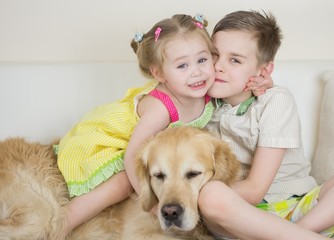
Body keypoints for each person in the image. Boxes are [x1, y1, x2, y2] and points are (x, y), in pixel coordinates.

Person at [198, 10, 334, 240]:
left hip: (302, 209)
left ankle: (298, 235)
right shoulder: (202, 105)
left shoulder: (274, 100)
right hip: (242, 219)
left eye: (234, 60)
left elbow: (255, 190)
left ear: (263, 70)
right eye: (214, 55)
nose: (218, 67)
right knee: (211, 195)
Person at [56, 14, 218, 236]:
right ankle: (63, 224)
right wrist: (149, 202)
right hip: (109, 142)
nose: (196, 72)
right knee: (123, 183)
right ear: (159, 73)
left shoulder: (205, 89)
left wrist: (260, 83)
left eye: (202, 60)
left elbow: (238, 87)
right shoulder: (160, 109)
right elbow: (133, 154)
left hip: (142, 148)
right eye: (182, 65)